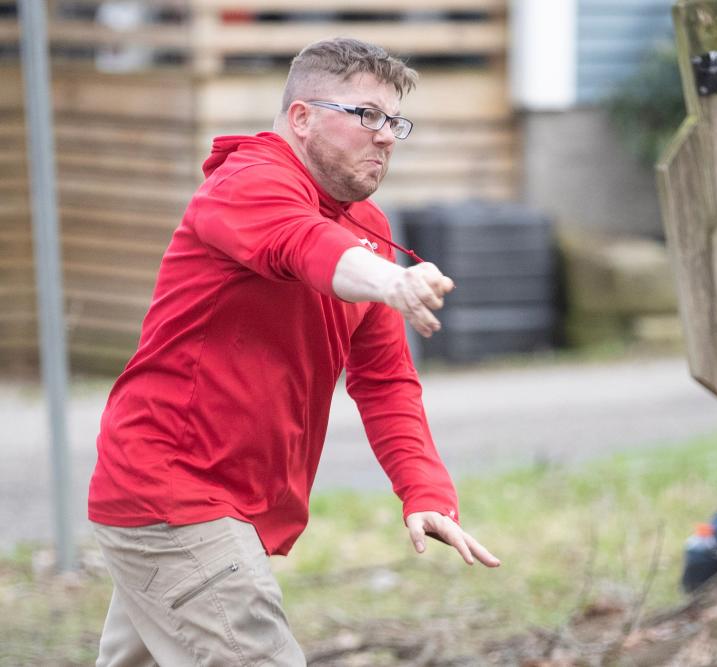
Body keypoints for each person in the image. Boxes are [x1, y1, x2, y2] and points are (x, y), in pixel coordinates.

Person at [88, 37, 499, 666]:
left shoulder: (368, 227)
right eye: (365, 115)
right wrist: (389, 282)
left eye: (394, 121)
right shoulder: (248, 184)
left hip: (217, 505)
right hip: (175, 497)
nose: (385, 136)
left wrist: (425, 492)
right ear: (302, 118)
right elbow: (299, 245)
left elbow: (386, 383)